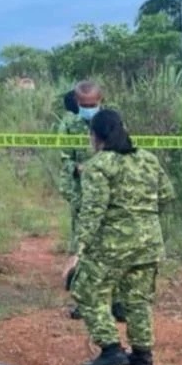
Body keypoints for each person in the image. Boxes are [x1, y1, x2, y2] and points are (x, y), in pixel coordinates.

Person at [62, 109, 175, 365]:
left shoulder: (98, 165)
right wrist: (142, 215)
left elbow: (92, 211)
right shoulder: (148, 159)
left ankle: (111, 348)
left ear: (95, 137)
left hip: (113, 244)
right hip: (149, 243)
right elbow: (167, 195)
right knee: (138, 300)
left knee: (86, 292)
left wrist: (76, 253)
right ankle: (142, 357)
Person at [56, 80, 127, 324]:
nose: (89, 108)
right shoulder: (68, 123)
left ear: (101, 100)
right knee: (83, 246)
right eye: (84, 104)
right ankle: (83, 300)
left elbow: (123, 150)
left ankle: (117, 301)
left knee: (114, 245)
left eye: (93, 104)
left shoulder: (112, 119)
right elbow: (63, 158)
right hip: (82, 194)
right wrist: (78, 168)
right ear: (77, 102)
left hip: (110, 193)